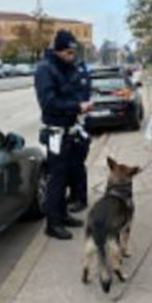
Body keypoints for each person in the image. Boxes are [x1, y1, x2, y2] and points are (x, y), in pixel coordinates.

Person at [34, 30, 93, 240]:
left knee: (67, 175)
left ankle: (63, 214)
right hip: (56, 132)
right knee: (56, 179)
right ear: (58, 51)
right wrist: (77, 106)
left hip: (71, 131)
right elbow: (49, 103)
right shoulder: (45, 70)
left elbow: (77, 91)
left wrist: (83, 104)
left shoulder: (68, 68)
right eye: (69, 52)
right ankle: (53, 223)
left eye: (74, 52)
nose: (72, 56)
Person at [66, 59, 92, 213]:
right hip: (73, 126)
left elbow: (81, 102)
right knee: (70, 165)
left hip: (78, 126)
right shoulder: (77, 72)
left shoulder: (80, 74)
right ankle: (74, 195)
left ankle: (81, 199)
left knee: (77, 165)